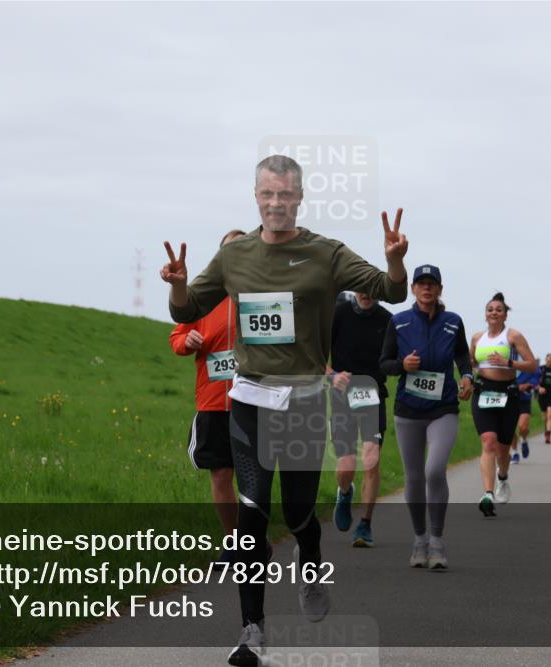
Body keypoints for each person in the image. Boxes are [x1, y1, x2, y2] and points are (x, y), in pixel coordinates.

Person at [162, 154, 408, 667]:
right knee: (252, 514)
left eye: (286, 195)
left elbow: (391, 290)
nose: (276, 203)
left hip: (302, 401)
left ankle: (310, 559)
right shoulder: (234, 255)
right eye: (268, 194)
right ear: (256, 196)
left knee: (298, 513)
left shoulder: (326, 253)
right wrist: (180, 284)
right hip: (249, 400)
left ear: (299, 198)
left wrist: (393, 260)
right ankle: (251, 630)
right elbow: (186, 311)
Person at [379, 265, 472, 568]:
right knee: (415, 477)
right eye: (421, 283)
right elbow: (384, 363)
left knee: (434, 470)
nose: (426, 288)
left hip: (443, 408)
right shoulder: (399, 321)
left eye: (432, 284)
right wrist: (402, 366)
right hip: (408, 410)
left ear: (440, 289)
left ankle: (437, 541)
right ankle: (419, 539)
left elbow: (462, 355)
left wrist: (467, 376)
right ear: (413, 289)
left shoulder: (453, 322)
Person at [169, 229, 245, 553]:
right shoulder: (204, 297)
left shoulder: (262, 293)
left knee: (255, 478)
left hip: (254, 401)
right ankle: (235, 543)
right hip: (214, 402)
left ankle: (253, 542)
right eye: (229, 251)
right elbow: (177, 337)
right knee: (221, 475)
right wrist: (187, 341)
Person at [327, 291, 392, 548]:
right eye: (361, 288)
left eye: (371, 289)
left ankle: (365, 524)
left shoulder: (387, 320)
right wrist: (332, 375)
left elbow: (395, 359)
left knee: (371, 459)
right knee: (346, 467)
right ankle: (345, 492)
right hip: (342, 397)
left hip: (373, 396)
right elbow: (316, 353)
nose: (366, 294)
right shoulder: (338, 313)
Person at [469, 292, 537, 517]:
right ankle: (488, 494)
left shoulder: (513, 335)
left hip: (508, 393)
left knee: (503, 449)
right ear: (485, 314)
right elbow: (470, 362)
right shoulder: (477, 338)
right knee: (489, 441)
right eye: (490, 309)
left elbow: (532, 365)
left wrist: (508, 362)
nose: (494, 313)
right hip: (483, 391)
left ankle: (503, 477)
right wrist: (467, 374)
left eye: (499, 310)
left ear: (505, 315)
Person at [511, 362, 541, 462]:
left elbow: (537, 372)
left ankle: (523, 440)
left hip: (524, 399)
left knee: (523, 427)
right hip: (508, 399)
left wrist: (528, 384)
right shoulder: (505, 357)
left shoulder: (526, 358)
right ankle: (514, 453)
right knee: (509, 430)